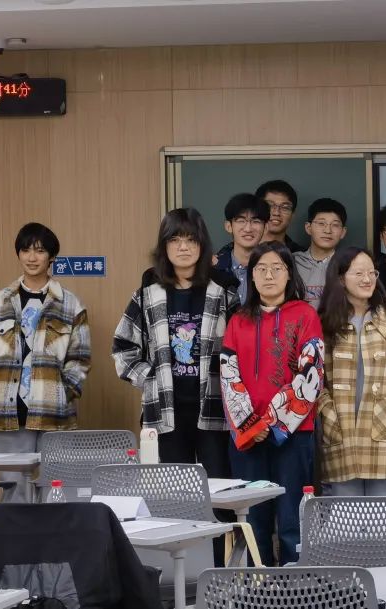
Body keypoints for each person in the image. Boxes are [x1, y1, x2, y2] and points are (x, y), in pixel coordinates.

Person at [220, 241, 325, 565]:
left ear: (289, 274)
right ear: (251, 276)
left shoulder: (305, 315)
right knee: (254, 518)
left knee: (293, 515)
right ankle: (259, 583)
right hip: (249, 437)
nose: (269, 276)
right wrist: (253, 425)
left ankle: (297, 582)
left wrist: (272, 422)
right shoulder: (238, 320)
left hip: (294, 434)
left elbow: (312, 373)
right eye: (261, 269)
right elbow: (228, 375)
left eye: (277, 269)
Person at [112, 208, 237, 481]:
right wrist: (150, 379)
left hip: (215, 408)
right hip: (165, 409)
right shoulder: (147, 294)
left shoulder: (223, 292)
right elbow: (123, 347)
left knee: (220, 487)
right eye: (175, 239)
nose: (183, 247)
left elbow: (240, 348)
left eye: (191, 240)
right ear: (164, 246)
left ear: (202, 246)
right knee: (173, 489)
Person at [0, 223, 91, 503]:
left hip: (54, 413)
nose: (32, 257)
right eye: (25, 250)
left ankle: (53, 534)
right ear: (18, 254)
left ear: (51, 257)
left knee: (56, 491)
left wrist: (63, 393)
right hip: (8, 413)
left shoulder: (70, 305)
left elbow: (80, 358)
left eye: (39, 251)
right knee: (14, 491)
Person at [318, 247, 386, 495]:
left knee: (383, 512)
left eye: (372, 272)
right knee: (345, 512)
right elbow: (316, 381)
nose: (367, 279)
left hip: (384, 430)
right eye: (358, 273)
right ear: (340, 278)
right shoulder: (325, 324)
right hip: (340, 429)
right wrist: (327, 414)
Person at [212, 193, 270, 304]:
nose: (248, 229)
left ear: (266, 228)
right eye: (241, 221)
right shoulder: (215, 267)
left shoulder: (274, 269)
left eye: (256, 221)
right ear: (228, 226)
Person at [295, 197, 348, 310]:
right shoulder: (293, 262)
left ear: (343, 232)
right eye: (321, 223)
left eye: (335, 225)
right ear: (308, 228)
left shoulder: (348, 265)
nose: (327, 230)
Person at [256, 179, 306, 252]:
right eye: (269, 206)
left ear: (292, 215)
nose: (276, 213)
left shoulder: (300, 255)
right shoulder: (240, 249)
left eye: (285, 207)